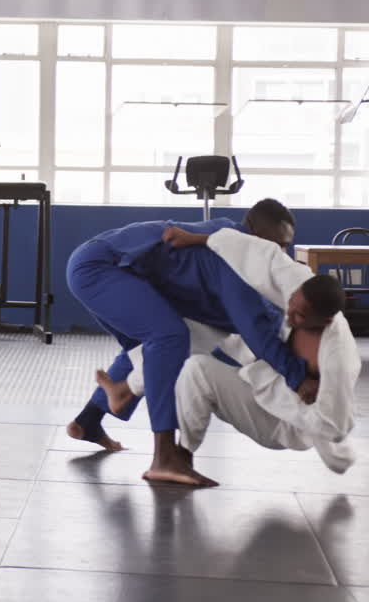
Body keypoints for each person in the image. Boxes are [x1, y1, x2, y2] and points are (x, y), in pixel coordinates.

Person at [63, 200, 331, 486]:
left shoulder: (236, 250)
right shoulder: (232, 255)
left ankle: (88, 421)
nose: (280, 254)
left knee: (163, 343)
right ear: (252, 232)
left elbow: (253, 319)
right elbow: (252, 326)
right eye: (276, 244)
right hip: (100, 266)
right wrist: (298, 377)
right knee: (168, 337)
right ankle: (164, 457)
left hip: (122, 271)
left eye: (286, 246)